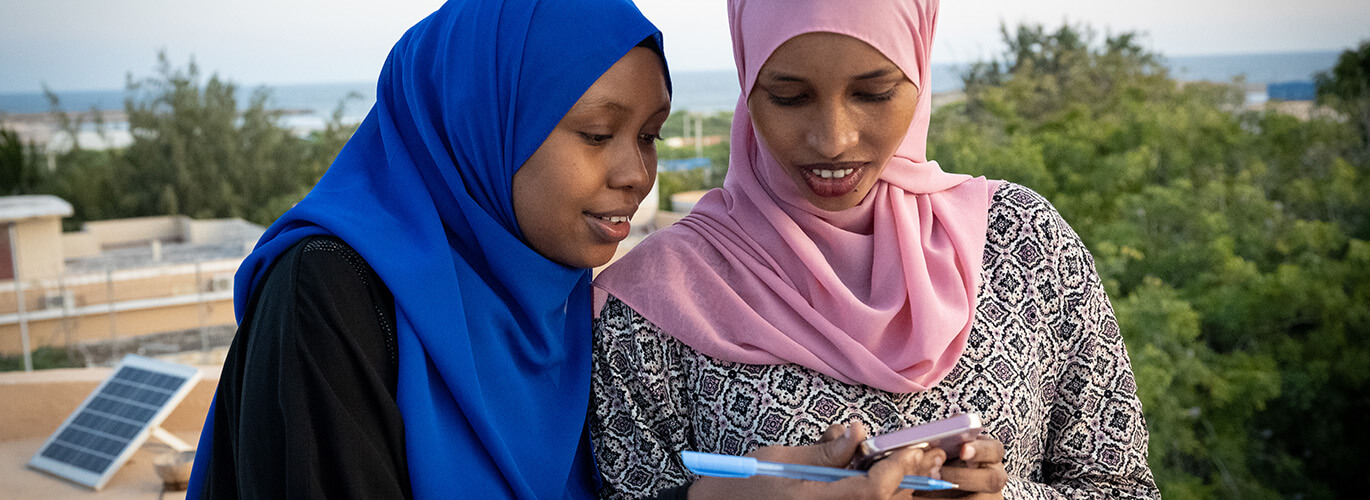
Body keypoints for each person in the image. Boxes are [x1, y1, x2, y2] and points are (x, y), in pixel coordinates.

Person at [589, 0, 1160, 498]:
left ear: (918, 71)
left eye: (873, 92)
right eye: (788, 97)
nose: (833, 138)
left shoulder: (1025, 244)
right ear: (748, 87)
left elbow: (1123, 488)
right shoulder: (648, 305)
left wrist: (1002, 497)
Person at [184, 0, 671, 498]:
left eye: (649, 136)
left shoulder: (568, 306)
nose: (635, 175)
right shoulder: (330, 292)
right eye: (597, 134)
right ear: (480, 120)